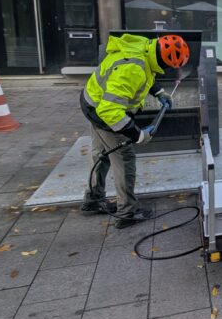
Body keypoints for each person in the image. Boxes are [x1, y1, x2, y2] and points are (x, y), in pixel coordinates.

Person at [80, 33, 190, 228]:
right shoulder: (133, 69)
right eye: (167, 66)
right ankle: (127, 212)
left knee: (101, 153)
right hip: (103, 111)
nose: (166, 70)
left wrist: (159, 92)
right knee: (124, 157)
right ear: (162, 60)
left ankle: (93, 200)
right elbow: (110, 110)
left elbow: (146, 73)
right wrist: (137, 134)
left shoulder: (143, 47)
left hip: (91, 101)